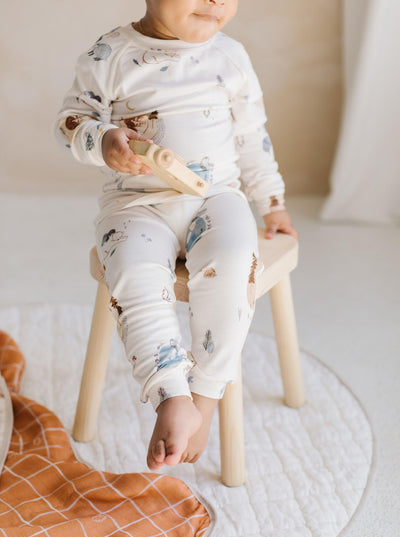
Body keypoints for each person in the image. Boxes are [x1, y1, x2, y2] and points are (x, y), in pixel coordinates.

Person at [55, 0, 298, 472]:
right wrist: (102, 141)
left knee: (234, 261)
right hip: (137, 205)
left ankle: (204, 396)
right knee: (134, 273)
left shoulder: (230, 57)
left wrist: (272, 202)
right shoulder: (109, 55)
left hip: (217, 198)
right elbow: (69, 124)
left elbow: (252, 137)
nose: (215, 1)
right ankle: (171, 394)